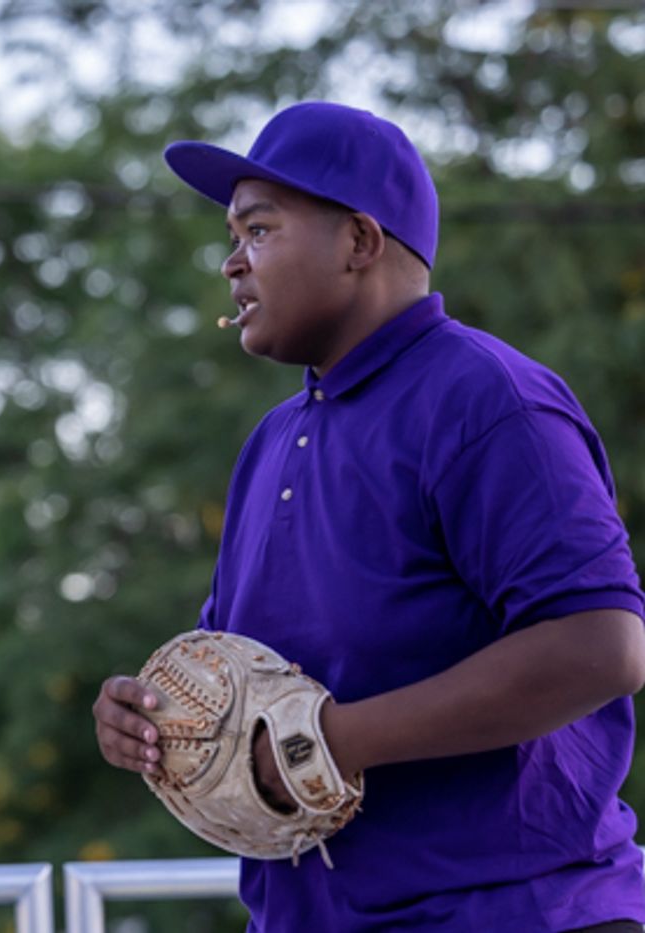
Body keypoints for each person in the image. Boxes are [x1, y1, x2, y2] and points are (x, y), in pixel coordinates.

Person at [92, 101, 645, 932]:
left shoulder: (489, 398)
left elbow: (600, 644)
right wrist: (152, 717)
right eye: (233, 236)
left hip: (517, 911)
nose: (231, 263)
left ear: (359, 241)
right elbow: (242, 676)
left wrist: (333, 739)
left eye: (260, 230)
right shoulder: (272, 439)